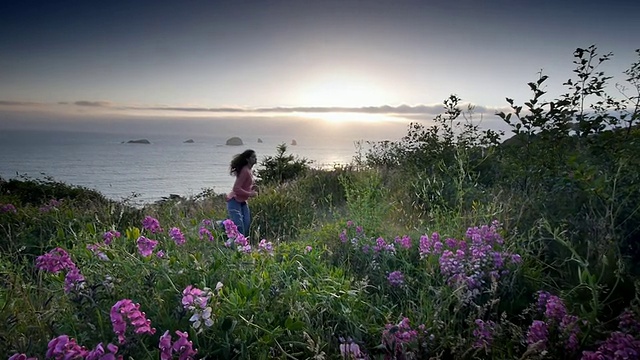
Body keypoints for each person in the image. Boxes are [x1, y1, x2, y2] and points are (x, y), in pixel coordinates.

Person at [226, 149, 258, 236]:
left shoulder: (249, 170)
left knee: (246, 225)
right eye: (253, 157)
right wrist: (250, 194)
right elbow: (236, 188)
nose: (256, 158)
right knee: (239, 227)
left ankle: (241, 245)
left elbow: (244, 185)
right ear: (247, 159)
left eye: (255, 157)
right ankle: (220, 224)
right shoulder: (245, 171)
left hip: (242, 201)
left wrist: (252, 189)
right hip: (234, 200)